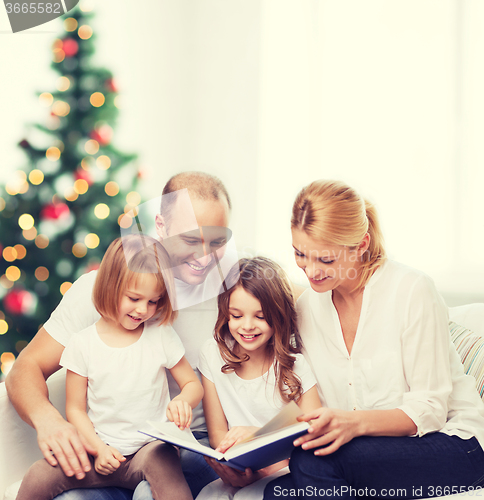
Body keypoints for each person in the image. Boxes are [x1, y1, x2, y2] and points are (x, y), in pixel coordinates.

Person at [6, 172, 230, 500]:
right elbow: (25, 369)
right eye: (192, 241)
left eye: (218, 241)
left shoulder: (233, 292)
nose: (206, 257)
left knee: (150, 489)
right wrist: (49, 420)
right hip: (106, 447)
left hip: (184, 445)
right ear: (161, 227)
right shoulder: (100, 291)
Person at [263, 180, 484, 499]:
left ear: (361, 244)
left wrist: (353, 424)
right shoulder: (308, 308)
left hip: (456, 444)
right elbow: (311, 399)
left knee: (311, 463)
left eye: (325, 260)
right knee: (278, 493)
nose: (311, 271)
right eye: (300, 254)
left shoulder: (411, 290)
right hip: (374, 452)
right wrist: (257, 450)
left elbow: (430, 410)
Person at [16, 235, 203, 500]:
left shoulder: (160, 334)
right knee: (39, 475)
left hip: (149, 450)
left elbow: (192, 385)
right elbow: (75, 410)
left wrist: (184, 400)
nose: (143, 310)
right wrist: (98, 449)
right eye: (134, 298)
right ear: (110, 287)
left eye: (153, 301)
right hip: (99, 451)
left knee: (164, 462)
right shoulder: (83, 344)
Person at [198, 257, 321, 498]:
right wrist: (237, 468)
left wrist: (257, 442)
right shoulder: (212, 354)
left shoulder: (297, 366)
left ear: (278, 315)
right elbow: (217, 435)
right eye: (236, 315)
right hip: (238, 470)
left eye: (260, 316)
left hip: (285, 472)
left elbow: (313, 435)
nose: (247, 326)